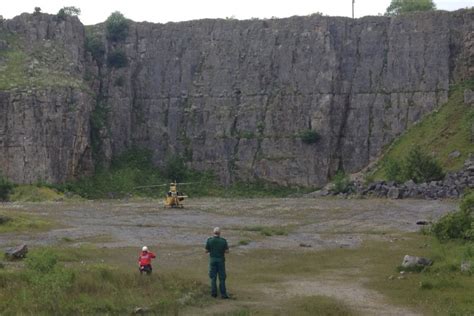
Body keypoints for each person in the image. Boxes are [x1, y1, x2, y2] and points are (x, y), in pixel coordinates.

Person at [205, 227, 229, 299]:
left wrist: (211, 251)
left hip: (212, 260)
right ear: (220, 233)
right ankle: (223, 294)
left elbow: (206, 251)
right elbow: (227, 251)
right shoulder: (223, 241)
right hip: (221, 261)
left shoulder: (209, 240)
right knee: (222, 278)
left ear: (213, 232)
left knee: (213, 277)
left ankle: (214, 294)